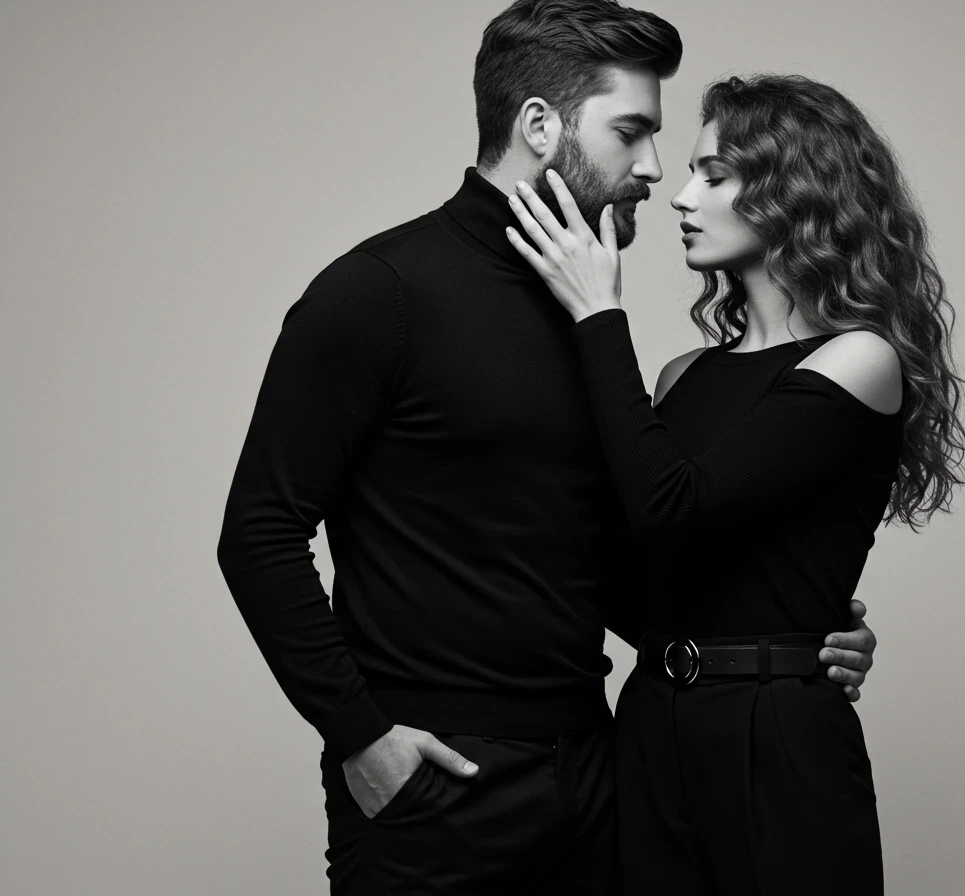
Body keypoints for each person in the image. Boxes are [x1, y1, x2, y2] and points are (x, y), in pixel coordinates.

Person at [216, 3, 879, 893]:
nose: (652, 169)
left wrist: (790, 638)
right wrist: (359, 735)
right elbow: (257, 531)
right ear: (540, 125)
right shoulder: (381, 291)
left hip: (601, 770)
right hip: (439, 779)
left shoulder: (587, 313)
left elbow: (609, 545)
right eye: (632, 132)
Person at [506, 73, 965, 893]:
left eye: (714, 176)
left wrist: (596, 314)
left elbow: (673, 505)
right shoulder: (682, 373)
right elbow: (623, 575)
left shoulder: (859, 359)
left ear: (796, 191)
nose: (681, 197)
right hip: (651, 719)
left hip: (777, 734)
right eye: (691, 172)